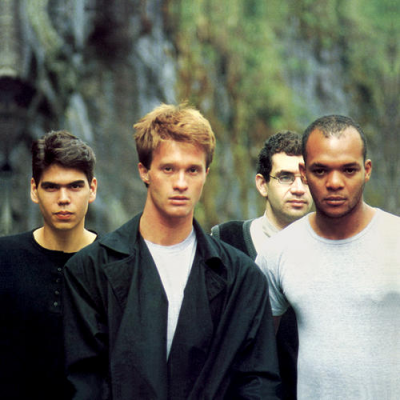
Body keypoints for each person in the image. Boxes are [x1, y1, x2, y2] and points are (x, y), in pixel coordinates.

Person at [63, 103, 281, 399]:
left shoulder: (243, 278)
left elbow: (257, 384)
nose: (181, 183)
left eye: (192, 170)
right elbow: (84, 383)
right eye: (168, 169)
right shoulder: (89, 270)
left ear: (206, 174)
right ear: (144, 171)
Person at [257, 115, 400, 399]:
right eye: (321, 170)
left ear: (367, 170)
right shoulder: (279, 251)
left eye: (348, 170)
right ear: (304, 171)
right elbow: (255, 360)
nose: (334, 183)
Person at [211, 130, 313, 399]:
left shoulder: (331, 252)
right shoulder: (225, 241)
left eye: (306, 178)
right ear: (262, 184)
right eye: (285, 177)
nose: (298, 188)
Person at [0, 131, 97, 400]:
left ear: (92, 189)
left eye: (75, 186)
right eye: (51, 187)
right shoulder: (4, 258)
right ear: (34, 189)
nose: (63, 198)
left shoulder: (116, 263)